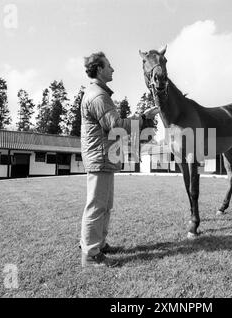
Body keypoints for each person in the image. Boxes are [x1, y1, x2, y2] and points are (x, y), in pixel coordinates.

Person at [80, 52, 159, 267]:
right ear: (98, 69)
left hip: (104, 156)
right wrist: (143, 120)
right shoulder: (98, 96)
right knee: (97, 205)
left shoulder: (98, 94)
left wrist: (142, 117)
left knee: (105, 204)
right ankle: (90, 253)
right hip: (101, 156)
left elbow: (112, 122)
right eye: (109, 66)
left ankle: (98, 244)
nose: (113, 69)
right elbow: (114, 125)